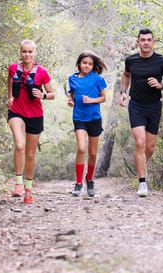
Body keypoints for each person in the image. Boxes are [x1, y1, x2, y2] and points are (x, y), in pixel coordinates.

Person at [119, 28, 163, 197]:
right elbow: (126, 75)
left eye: (148, 40)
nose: (145, 42)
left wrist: (161, 85)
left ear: (153, 42)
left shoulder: (161, 61)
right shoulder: (131, 60)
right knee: (140, 142)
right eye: (142, 40)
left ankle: (140, 163)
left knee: (149, 147)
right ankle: (142, 183)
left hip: (154, 106)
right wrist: (123, 92)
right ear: (138, 42)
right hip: (136, 105)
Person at [7, 39, 54, 204]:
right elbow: (10, 84)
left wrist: (43, 95)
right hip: (16, 111)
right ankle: (18, 184)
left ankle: (28, 188)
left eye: (30, 51)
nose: (27, 54)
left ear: (34, 53)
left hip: (35, 114)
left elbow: (52, 93)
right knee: (19, 144)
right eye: (24, 51)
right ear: (20, 52)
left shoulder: (42, 72)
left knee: (30, 153)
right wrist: (10, 98)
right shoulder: (13, 68)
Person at [67, 51, 107, 197]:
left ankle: (89, 179)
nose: (87, 66)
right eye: (84, 63)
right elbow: (71, 95)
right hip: (79, 118)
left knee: (92, 152)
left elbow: (103, 98)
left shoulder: (97, 79)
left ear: (93, 66)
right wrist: (70, 101)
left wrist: (91, 100)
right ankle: (78, 183)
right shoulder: (72, 79)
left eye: (90, 64)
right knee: (82, 148)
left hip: (95, 118)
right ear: (79, 64)